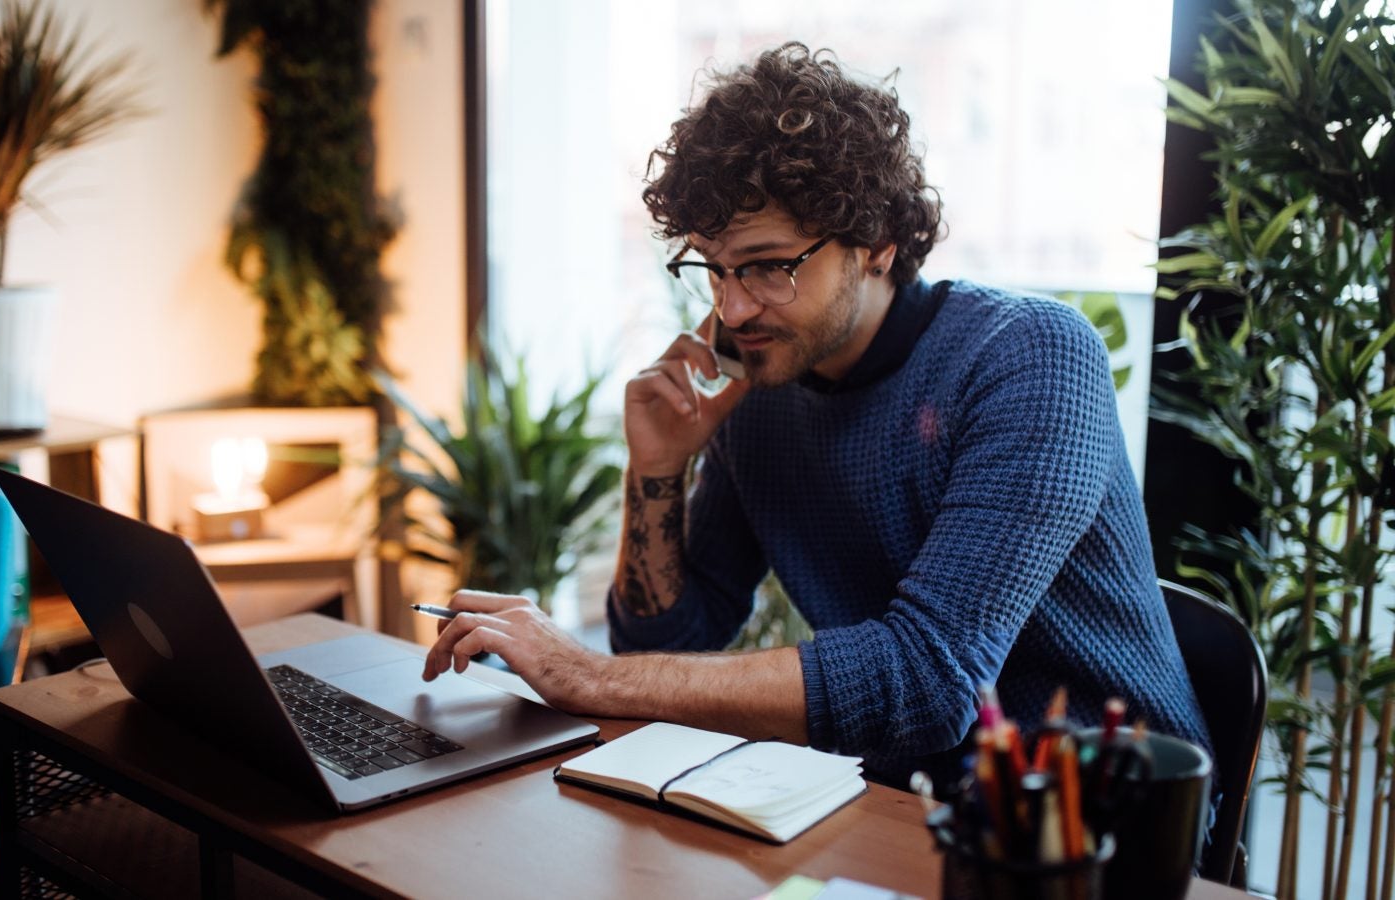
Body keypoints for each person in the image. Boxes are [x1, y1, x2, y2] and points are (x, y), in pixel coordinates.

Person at [421, 41, 1211, 790]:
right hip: (899, 803)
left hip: (1108, 814)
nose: (732, 308)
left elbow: (929, 680)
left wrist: (585, 670)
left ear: (877, 242)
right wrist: (657, 467)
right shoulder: (758, 388)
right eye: (714, 269)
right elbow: (667, 646)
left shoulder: (1029, 357)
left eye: (767, 266)